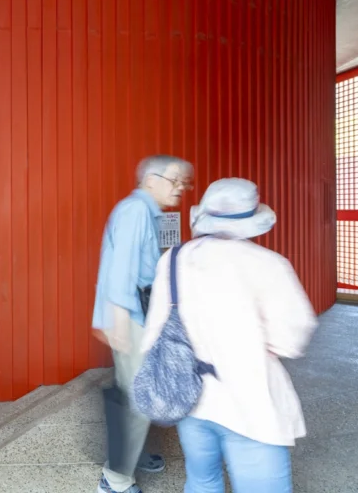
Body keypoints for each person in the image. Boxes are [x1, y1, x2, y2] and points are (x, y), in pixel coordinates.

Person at [141, 178, 317, 493]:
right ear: (253, 220)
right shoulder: (269, 265)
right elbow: (291, 338)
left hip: (190, 396)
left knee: (202, 481)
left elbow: (153, 330)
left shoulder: (174, 258)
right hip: (249, 399)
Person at [92, 155, 195, 493]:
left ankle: (129, 457)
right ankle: (115, 478)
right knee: (137, 397)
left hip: (140, 316)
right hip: (131, 317)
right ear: (151, 179)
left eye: (184, 181)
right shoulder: (136, 210)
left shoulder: (146, 212)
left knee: (139, 389)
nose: (181, 187)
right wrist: (118, 320)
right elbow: (120, 268)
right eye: (175, 180)